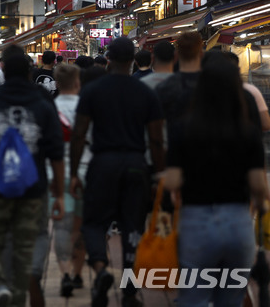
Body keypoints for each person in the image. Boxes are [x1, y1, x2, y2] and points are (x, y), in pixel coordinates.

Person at [0, 45, 65, 307]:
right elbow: (56, 151)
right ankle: (17, 294)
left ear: (3, 69)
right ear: (30, 71)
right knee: (25, 248)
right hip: (34, 188)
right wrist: (59, 192)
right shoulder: (42, 100)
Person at [164, 52, 267, 307]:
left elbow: (174, 181)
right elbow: (258, 185)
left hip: (196, 219)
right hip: (237, 221)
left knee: (195, 296)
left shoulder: (183, 128)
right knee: (231, 298)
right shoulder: (248, 132)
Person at [69, 38, 165, 307]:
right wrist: (158, 174)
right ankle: (129, 290)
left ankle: (100, 271)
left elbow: (78, 133)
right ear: (134, 60)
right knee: (132, 225)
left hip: (103, 164)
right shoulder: (146, 92)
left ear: (108, 59)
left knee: (94, 222)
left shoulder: (93, 91)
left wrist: (75, 172)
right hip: (135, 164)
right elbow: (156, 139)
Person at [52, 64, 89, 298]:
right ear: (77, 83)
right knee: (81, 226)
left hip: (57, 174)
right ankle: (77, 273)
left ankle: (64, 273)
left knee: (61, 228)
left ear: (56, 84)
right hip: (85, 172)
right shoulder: (87, 109)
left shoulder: (50, 109)